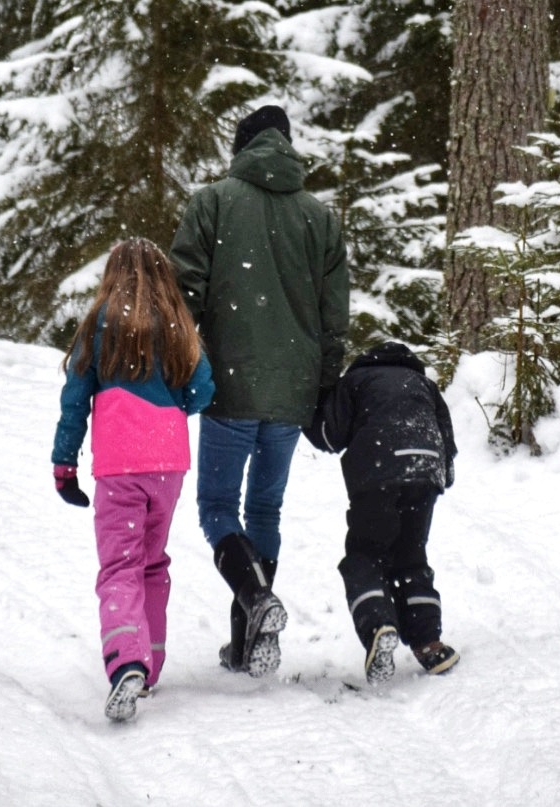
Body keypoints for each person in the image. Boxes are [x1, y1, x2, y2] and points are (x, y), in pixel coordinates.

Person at [169, 104, 350, 677]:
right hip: (292, 391)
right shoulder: (320, 218)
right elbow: (333, 316)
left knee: (217, 507)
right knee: (265, 507)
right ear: (287, 145)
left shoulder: (215, 201)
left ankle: (255, 601)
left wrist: (181, 365)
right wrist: (322, 389)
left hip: (231, 385)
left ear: (241, 146)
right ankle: (247, 646)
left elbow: (182, 292)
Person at [51, 237, 215, 721]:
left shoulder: (101, 322)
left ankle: (127, 660)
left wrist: (65, 464)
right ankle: (152, 660)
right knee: (151, 562)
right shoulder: (177, 324)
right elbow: (204, 388)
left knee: (120, 565)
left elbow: (75, 397)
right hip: (168, 463)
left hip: (120, 463)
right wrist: (171, 407)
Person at [303, 341, 460, 685]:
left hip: (378, 473)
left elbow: (330, 436)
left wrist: (309, 409)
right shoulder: (424, 385)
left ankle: (379, 626)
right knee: (411, 556)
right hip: (425, 471)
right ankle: (429, 643)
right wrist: (438, 477)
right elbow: (447, 439)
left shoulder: (356, 381)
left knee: (364, 555)